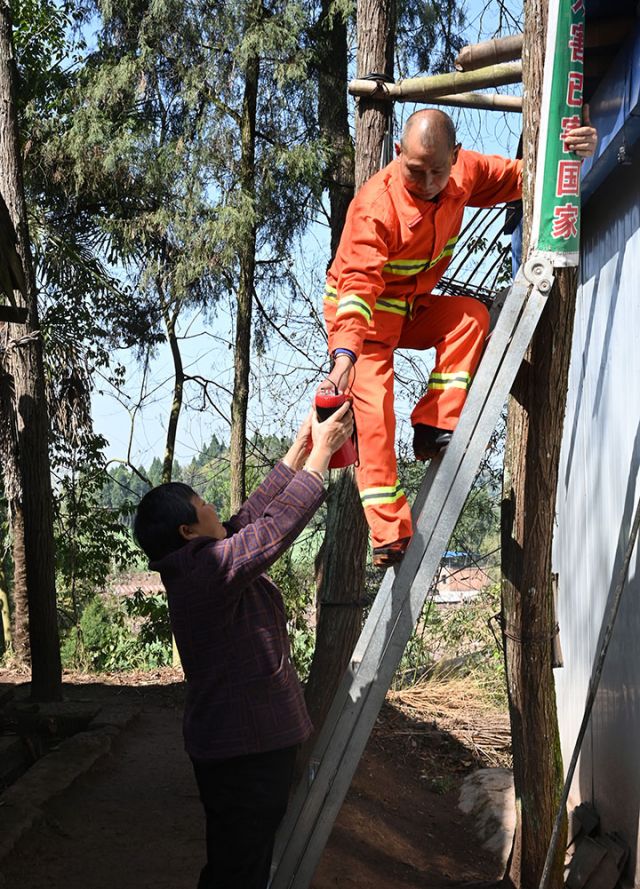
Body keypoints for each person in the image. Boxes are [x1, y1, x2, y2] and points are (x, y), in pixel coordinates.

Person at [320, 107, 598, 567]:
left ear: (455, 156)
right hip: (364, 319)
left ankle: (433, 426)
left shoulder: (464, 174)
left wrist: (572, 155)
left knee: (469, 316)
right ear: (396, 154)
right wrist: (345, 353)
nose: (428, 182)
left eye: (437, 171)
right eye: (415, 171)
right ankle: (388, 535)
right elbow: (357, 288)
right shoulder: (374, 206)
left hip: (409, 308)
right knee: (374, 416)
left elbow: (522, 178)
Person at [133, 401, 353, 889]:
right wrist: (320, 460)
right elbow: (271, 532)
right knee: (240, 869)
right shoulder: (203, 573)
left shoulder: (199, 558)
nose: (215, 507)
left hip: (238, 748)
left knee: (238, 858)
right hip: (244, 753)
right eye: (203, 505)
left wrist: (300, 447)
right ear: (188, 532)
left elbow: (250, 518)